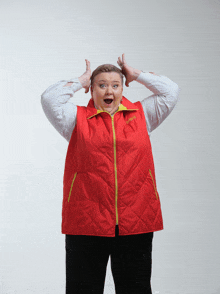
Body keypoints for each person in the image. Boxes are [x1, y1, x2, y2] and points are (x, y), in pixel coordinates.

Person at [41, 53, 180, 294]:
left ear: (123, 88)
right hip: (86, 221)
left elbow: (171, 91)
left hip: (136, 220)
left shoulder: (142, 114)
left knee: (135, 289)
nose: (109, 91)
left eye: (115, 85)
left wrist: (136, 74)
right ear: (92, 90)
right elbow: (49, 98)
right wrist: (80, 81)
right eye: (101, 85)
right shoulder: (76, 119)